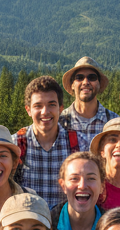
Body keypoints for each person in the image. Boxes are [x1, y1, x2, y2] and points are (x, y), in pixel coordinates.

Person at [15, 75, 79, 209]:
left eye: (51, 105)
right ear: (28, 110)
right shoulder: (16, 144)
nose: (45, 112)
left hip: (65, 225)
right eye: (38, 106)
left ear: (61, 108)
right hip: (29, 224)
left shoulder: (77, 144)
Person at [48, 151, 106, 230]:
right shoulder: (46, 225)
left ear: (102, 186)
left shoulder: (113, 228)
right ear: (63, 185)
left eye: (91, 178)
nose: (82, 185)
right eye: (74, 178)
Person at [59, 56, 118, 148]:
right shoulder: (60, 122)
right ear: (72, 85)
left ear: (99, 84)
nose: (86, 82)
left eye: (92, 77)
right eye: (79, 77)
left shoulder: (114, 122)